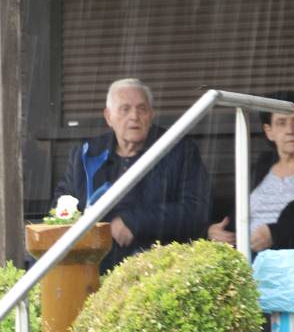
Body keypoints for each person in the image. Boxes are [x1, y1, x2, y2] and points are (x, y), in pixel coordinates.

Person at [56, 77, 209, 272]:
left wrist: (135, 221)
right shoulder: (86, 154)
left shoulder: (178, 151)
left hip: (157, 265)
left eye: (142, 109)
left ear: (151, 115)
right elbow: (62, 204)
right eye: (125, 109)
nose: (134, 116)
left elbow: (195, 211)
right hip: (93, 263)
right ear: (108, 116)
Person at [207, 91, 294, 253]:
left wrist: (275, 234)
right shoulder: (258, 170)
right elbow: (234, 216)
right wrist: (214, 232)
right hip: (237, 257)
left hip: (286, 262)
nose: (290, 130)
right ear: (269, 131)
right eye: (281, 123)